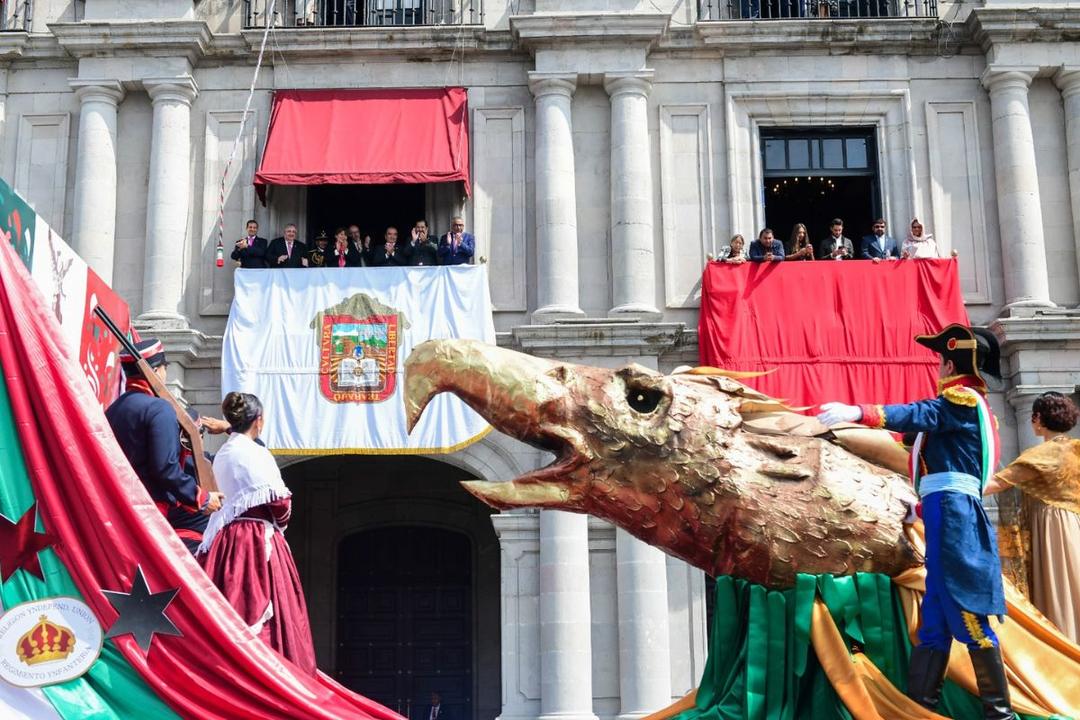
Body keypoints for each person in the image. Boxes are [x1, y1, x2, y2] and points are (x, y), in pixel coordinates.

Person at [817, 324, 1012, 719]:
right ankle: (921, 709)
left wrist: (860, 411)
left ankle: (1000, 714)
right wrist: (920, 507)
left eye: (941, 359)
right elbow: (920, 446)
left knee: (969, 613)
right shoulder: (956, 411)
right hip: (944, 511)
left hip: (955, 516)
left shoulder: (961, 400)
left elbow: (918, 415)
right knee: (934, 623)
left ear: (952, 361)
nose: (938, 368)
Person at [198, 392, 317, 676]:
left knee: (228, 607)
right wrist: (282, 523)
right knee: (269, 614)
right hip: (256, 540)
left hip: (226, 542)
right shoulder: (256, 453)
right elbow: (280, 503)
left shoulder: (225, 453)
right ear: (259, 421)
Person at [105, 339, 224, 554]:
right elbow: (166, 468)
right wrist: (202, 498)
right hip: (150, 511)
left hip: (116, 507)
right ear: (157, 370)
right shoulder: (159, 409)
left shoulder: (112, 410)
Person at [983, 392, 1080, 643]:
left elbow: (996, 483)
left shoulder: (1044, 454)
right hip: (1073, 524)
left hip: (1052, 526)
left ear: (1038, 418)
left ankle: (1064, 646)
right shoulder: (1074, 449)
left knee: (1058, 589)